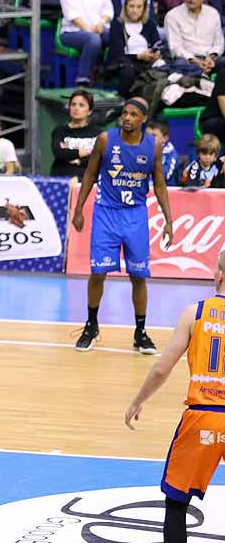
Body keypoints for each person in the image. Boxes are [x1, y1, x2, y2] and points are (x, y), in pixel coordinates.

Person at [125, 251, 225, 543]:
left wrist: (137, 401)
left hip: (202, 418)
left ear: (217, 275)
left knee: (176, 505)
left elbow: (162, 368)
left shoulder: (195, 313)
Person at [71, 97, 174, 352]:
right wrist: (79, 208)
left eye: (132, 114)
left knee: (138, 276)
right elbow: (90, 174)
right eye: (124, 113)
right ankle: (91, 325)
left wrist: (169, 220)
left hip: (135, 215)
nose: (127, 118)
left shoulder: (153, 146)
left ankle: (140, 333)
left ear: (143, 119)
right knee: (98, 273)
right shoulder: (106, 140)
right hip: (106, 213)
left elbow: (159, 184)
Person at [59, 0, 114, 87]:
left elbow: (108, 9)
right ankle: (82, 79)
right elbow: (70, 13)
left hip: (98, 28)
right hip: (73, 32)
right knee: (93, 39)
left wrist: (102, 22)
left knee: (117, 35)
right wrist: (87, 28)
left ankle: (105, 72)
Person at [164, 0, 225, 85]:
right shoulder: (172, 15)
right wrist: (196, 61)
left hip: (210, 59)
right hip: (187, 60)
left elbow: (219, 43)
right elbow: (175, 47)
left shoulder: (213, 13)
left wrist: (210, 58)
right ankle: (201, 80)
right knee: (179, 65)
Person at [105, 0, 161, 98]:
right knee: (128, 71)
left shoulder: (149, 24)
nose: (135, 10)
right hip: (122, 63)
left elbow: (156, 44)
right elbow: (117, 53)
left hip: (146, 62)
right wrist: (138, 56)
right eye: (131, 6)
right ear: (125, 7)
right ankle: (125, 104)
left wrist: (156, 53)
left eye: (139, 7)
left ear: (144, 8)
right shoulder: (117, 24)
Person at [50, 89, 101, 178]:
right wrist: (84, 152)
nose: (76, 108)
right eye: (73, 104)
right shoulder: (59, 131)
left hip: (88, 180)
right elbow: (59, 153)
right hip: (62, 177)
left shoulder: (98, 133)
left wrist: (77, 159)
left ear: (90, 111)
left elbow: (97, 159)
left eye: (81, 105)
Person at [147, 118, 180, 185]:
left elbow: (166, 175)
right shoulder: (142, 148)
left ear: (164, 138)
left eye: (154, 136)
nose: (149, 139)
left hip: (166, 190)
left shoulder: (171, 154)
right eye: (147, 135)